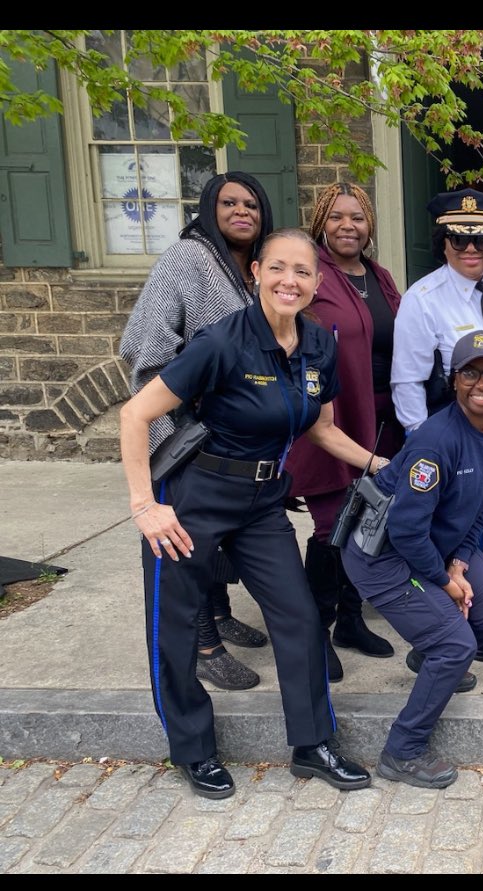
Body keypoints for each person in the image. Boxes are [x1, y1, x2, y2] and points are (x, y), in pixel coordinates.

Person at [118, 229, 376, 799]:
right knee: (177, 628)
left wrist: (377, 463)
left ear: (317, 281)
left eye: (303, 271)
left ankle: (312, 744)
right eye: (279, 268)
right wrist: (145, 506)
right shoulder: (220, 343)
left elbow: (323, 427)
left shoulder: (317, 345)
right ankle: (193, 750)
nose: (291, 280)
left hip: (262, 503)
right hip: (193, 500)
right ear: (256, 272)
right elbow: (136, 415)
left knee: (300, 617)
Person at [342, 330, 483, 789]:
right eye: (470, 373)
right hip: (381, 555)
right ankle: (402, 751)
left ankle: (427, 657)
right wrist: (444, 583)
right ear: (453, 380)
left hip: (433, 549)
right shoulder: (435, 440)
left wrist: (459, 563)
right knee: (457, 645)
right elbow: (404, 529)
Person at [119, 171, 273, 692]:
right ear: (209, 209)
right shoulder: (188, 259)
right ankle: (205, 644)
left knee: (219, 537)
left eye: (251, 204)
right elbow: (144, 344)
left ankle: (221, 611)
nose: (241, 212)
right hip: (185, 431)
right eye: (228, 203)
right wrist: (174, 416)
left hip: (231, 435)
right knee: (190, 540)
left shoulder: (249, 271)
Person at [390, 188, 483, 664]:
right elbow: (407, 380)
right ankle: (449, 620)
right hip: (449, 429)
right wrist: (422, 443)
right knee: (447, 528)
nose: (472, 250)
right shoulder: (423, 298)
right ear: (444, 243)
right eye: (459, 241)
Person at [285, 183, 403, 681]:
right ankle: (316, 631)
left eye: (357, 217)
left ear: (370, 224)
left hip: (381, 418)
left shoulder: (380, 276)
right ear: (320, 223)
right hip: (332, 418)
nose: (347, 226)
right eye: (336, 217)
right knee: (333, 527)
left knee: (370, 523)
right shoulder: (309, 274)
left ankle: (351, 621)